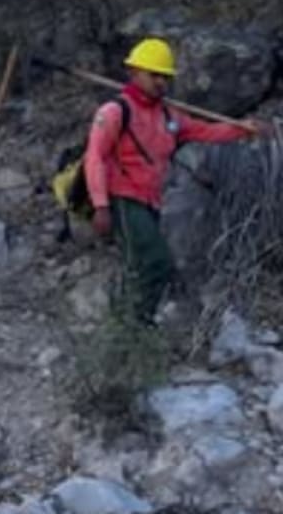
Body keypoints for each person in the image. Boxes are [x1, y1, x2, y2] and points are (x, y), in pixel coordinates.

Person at [83, 37, 271, 326]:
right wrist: (101, 206)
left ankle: (125, 329)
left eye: (165, 77)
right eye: (153, 75)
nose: (160, 82)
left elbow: (205, 132)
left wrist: (242, 130)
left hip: (151, 203)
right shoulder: (114, 112)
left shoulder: (169, 116)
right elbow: (94, 157)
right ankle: (135, 326)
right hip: (123, 200)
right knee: (157, 262)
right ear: (134, 73)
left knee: (141, 266)